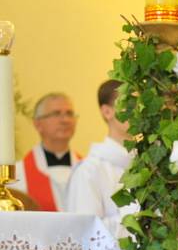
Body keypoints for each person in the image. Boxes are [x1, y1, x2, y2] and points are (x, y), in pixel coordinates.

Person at [66, 80, 133, 234]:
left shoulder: (150, 166)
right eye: (129, 104)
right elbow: (85, 232)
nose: (138, 112)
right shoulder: (89, 171)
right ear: (107, 112)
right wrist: (138, 215)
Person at [16, 93, 81, 210]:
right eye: (56, 113)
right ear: (37, 124)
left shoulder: (88, 169)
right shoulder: (19, 173)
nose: (65, 120)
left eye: (69, 113)